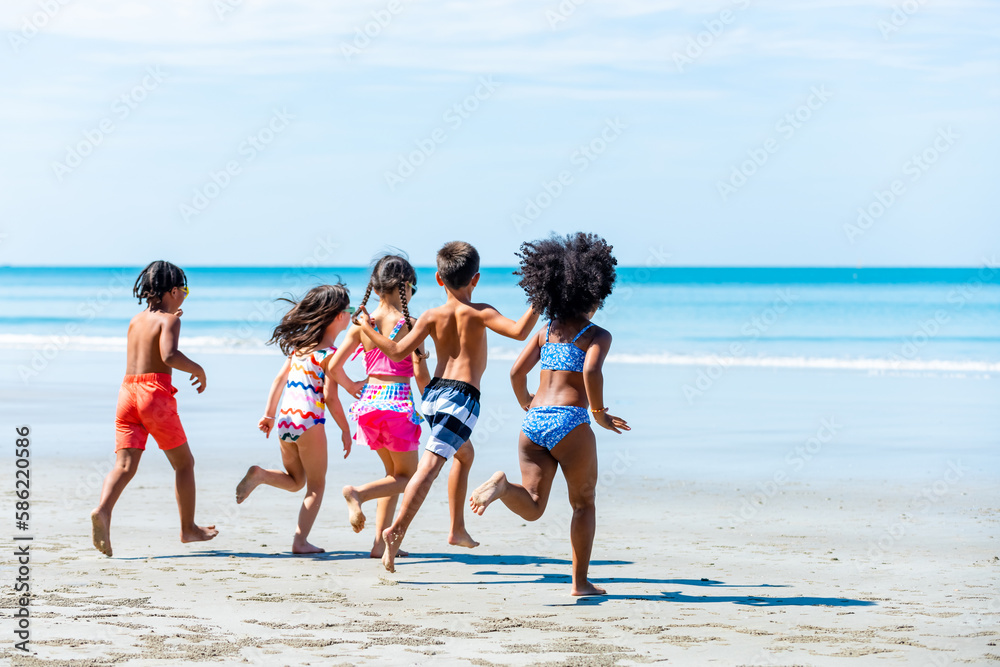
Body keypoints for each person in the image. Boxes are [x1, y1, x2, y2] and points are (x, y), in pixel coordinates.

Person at [355, 241, 538, 572]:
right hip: (461, 398)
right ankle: (394, 533)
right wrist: (541, 300)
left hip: (434, 397)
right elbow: (520, 331)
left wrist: (367, 328)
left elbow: (396, 352)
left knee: (465, 455)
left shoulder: (429, 315)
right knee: (428, 468)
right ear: (476, 279)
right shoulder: (480, 311)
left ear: (439, 279)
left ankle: (456, 529)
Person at [469, 233, 629, 596]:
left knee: (534, 505)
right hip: (570, 421)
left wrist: (527, 402)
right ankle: (580, 582)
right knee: (583, 502)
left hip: (534, 423)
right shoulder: (596, 335)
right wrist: (599, 412)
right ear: (595, 292)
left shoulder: (547, 332)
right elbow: (590, 373)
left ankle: (503, 486)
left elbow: (515, 373)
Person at [91, 261, 217, 557]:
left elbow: (150, 341)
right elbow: (168, 355)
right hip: (154, 396)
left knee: (124, 465)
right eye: (184, 290)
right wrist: (199, 369)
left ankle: (103, 510)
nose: (185, 295)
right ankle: (188, 528)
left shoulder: (136, 320)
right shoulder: (171, 322)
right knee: (184, 464)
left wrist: (170, 317)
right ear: (173, 290)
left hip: (127, 393)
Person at [235, 284, 357, 554]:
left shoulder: (300, 349)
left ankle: (261, 475)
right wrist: (346, 430)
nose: (351, 315)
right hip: (310, 423)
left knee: (296, 480)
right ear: (338, 316)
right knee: (316, 485)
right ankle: (300, 541)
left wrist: (268, 415)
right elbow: (332, 399)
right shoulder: (330, 355)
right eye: (348, 310)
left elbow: (279, 380)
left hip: (285, 421)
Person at [327, 255, 430, 559]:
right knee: (408, 478)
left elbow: (333, 365)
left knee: (392, 475)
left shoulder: (363, 323)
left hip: (369, 404)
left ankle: (379, 544)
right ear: (406, 286)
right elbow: (421, 377)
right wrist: (432, 404)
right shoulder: (411, 324)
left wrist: (351, 387)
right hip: (397, 405)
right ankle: (357, 493)